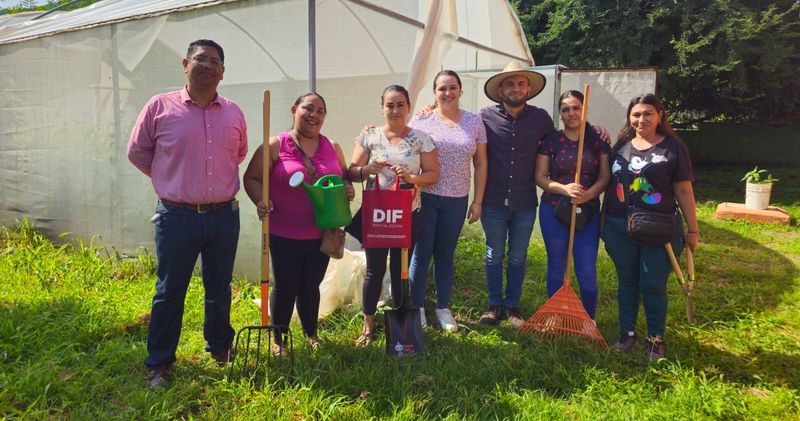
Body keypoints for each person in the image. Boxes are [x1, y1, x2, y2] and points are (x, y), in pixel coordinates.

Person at [127, 39, 247, 388]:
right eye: (201, 59)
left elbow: (237, 154)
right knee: (169, 290)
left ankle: (220, 346)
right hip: (176, 216)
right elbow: (138, 153)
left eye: (215, 61)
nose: (208, 65)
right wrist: (170, 178)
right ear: (185, 64)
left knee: (219, 286)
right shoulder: (160, 106)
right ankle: (160, 363)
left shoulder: (233, 111)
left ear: (223, 72)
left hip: (224, 215)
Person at [242, 92, 354, 356]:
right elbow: (252, 178)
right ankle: (279, 339)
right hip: (284, 231)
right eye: (308, 108)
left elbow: (342, 179)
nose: (314, 115)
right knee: (285, 285)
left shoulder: (332, 146)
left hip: (322, 231)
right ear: (294, 110)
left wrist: (347, 189)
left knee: (310, 285)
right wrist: (261, 200)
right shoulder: (275, 145)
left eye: (320, 111)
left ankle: (311, 333)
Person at [603, 93, 699, 360]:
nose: (641, 119)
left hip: (659, 228)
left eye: (648, 113)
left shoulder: (673, 147)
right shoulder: (621, 145)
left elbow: (683, 189)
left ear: (660, 115)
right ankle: (627, 333)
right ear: (629, 117)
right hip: (619, 225)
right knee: (627, 281)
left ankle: (655, 339)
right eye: (636, 114)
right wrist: (603, 224)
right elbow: (611, 184)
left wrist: (693, 229)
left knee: (653, 284)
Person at [347, 85, 439, 346]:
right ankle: (368, 325)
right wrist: (367, 169)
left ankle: (399, 319)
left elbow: (433, 174)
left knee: (401, 270)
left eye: (400, 104)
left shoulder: (421, 139)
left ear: (409, 107)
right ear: (382, 107)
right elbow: (352, 172)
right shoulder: (370, 136)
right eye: (390, 105)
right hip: (377, 214)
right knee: (374, 270)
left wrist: (411, 177)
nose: (395, 110)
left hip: (408, 214)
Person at [407, 70, 487, 332]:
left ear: (461, 91)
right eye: (442, 88)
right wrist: (371, 131)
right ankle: (416, 307)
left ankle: (443, 308)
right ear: (434, 93)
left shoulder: (474, 122)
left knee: (445, 255)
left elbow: (481, 162)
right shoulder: (423, 120)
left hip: (457, 198)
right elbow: (398, 140)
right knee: (421, 253)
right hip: (426, 196)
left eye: (452, 87)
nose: (447, 93)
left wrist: (478, 201)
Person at [535, 90, 611, 321]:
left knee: (586, 270)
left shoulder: (598, 142)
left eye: (576, 108)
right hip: (554, 208)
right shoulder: (551, 141)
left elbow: (605, 177)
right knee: (557, 266)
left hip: (586, 212)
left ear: (584, 110)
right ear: (560, 114)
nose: (571, 113)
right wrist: (564, 189)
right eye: (566, 109)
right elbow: (540, 177)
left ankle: (589, 318)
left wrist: (588, 195)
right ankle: (555, 315)